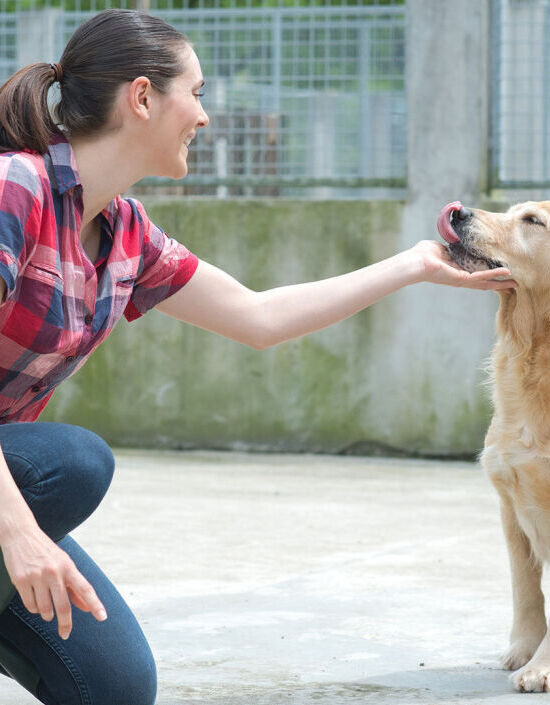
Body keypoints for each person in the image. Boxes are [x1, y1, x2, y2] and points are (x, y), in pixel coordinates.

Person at [0, 8, 515, 705]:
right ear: (144, 97)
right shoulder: (17, 189)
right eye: (198, 92)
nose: (206, 117)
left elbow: (259, 316)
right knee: (74, 462)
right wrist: (22, 538)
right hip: (10, 495)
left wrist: (415, 264)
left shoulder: (125, 234)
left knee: (116, 684)